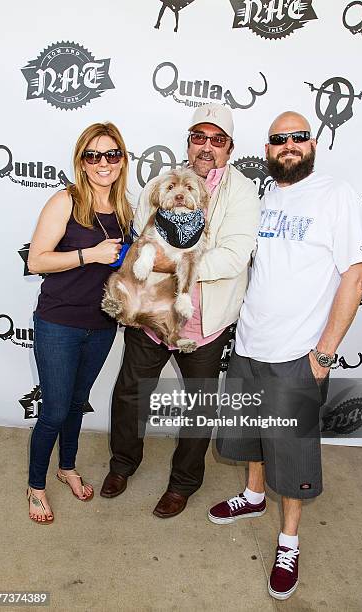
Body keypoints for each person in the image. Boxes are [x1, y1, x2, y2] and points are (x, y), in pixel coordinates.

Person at [209, 111, 362, 599]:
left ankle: (288, 541)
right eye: (279, 140)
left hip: (297, 354)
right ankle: (254, 496)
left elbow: (355, 274)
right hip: (250, 343)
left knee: (294, 455)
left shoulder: (335, 195)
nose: (289, 146)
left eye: (298, 137)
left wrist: (323, 355)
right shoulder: (267, 197)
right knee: (250, 436)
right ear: (269, 149)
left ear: (314, 143)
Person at [100, 103, 261, 518]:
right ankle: (123, 464)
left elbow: (235, 255)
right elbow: (141, 234)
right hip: (152, 314)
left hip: (205, 321)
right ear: (189, 141)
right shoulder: (163, 180)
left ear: (230, 147)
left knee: (200, 405)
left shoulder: (240, 190)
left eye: (217, 140)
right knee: (130, 393)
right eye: (199, 137)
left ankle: (183, 483)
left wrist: (177, 264)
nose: (207, 146)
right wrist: (151, 261)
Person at [26, 122, 132, 523]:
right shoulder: (65, 201)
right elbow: (37, 261)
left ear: (122, 161)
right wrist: (90, 254)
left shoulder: (124, 209)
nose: (103, 163)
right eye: (93, 156)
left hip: (102, 325)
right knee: (53, 411)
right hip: (59, 323)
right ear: (82, 163)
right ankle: (36, 486)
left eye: (111, 154)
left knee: (75, 404)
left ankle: (66, 467)